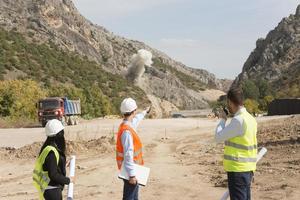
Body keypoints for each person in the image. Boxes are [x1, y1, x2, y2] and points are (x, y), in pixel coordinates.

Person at [215, 88, 257, 200]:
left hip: (237, 170)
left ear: (230, 102)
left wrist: (223, 119)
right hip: (248, 169)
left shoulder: (239, 120)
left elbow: (218, 137)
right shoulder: (251, 119)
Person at [116, 98, 151, 200]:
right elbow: (128, 154)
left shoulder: (126, 125)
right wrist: (132, 175)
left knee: (134, 197)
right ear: (134, 111)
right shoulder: (127, 132)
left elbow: (137, 119)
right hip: (130, 171)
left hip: (132, 169)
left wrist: (145, 112)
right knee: (129, 197)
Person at [33, 119, 74, 200]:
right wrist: (68, 180)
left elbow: (48, 166)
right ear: (59, 134)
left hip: (48, 190)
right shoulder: (51, 151)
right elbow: (53, 175)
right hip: (52, 192)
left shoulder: (47, 148)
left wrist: (62, 164)